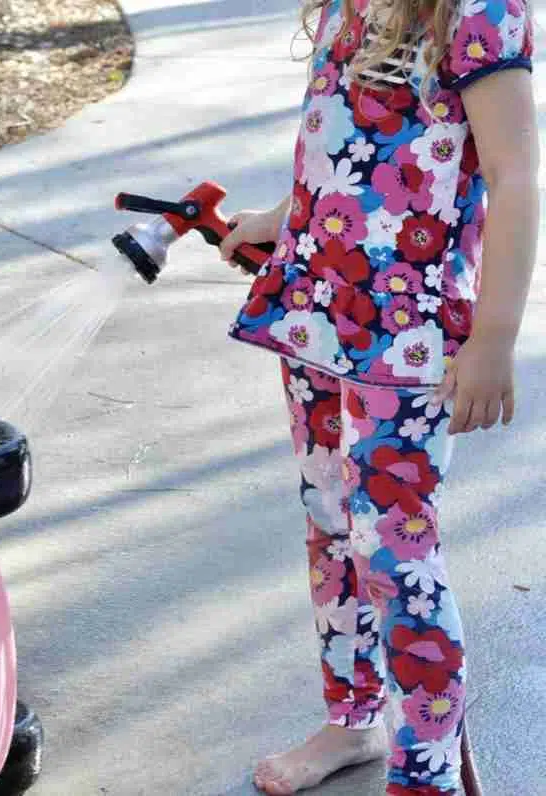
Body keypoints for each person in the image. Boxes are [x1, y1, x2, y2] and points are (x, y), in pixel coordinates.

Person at [216, 0, 539, 791]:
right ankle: (353, 722)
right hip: (315, 313)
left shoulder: (479, 13)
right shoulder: (351, 6)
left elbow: (515, 173)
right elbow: (344, 151)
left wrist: (494, 335)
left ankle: (424, 772)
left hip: (409, 336)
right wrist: (281, 220)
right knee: (331, 529)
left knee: (395, 550)